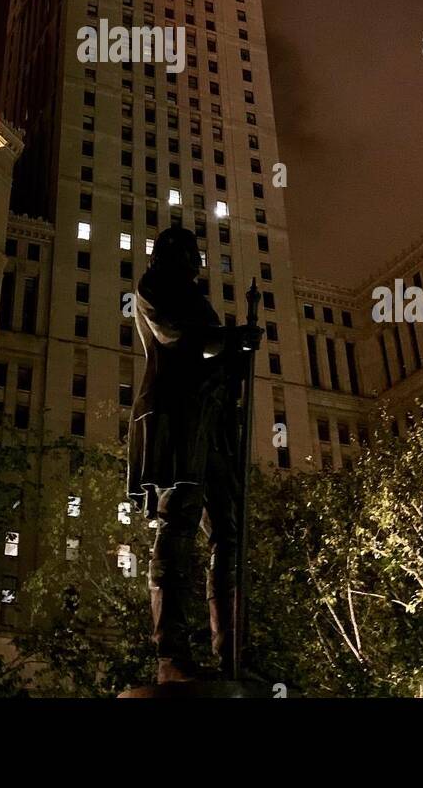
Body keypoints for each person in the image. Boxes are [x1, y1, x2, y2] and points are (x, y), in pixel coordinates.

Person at [127, 226, 260, 682]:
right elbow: (177, 336)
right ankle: (171, 654)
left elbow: (217, 357)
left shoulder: (198, 299)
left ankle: (233, 652)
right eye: (184, 251)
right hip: (177, 419)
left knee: (230, 532)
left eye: (194, 253)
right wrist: (231, 339)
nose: (193, 260)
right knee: (177, 526)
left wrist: (239, 352)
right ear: (165, 254)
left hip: (212, 423)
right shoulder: (154, 286)